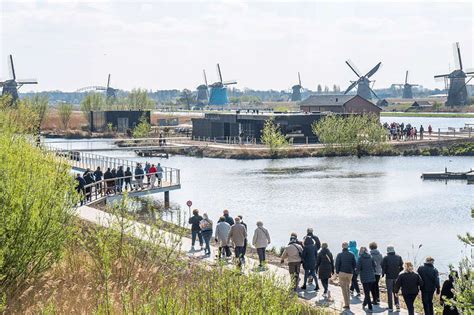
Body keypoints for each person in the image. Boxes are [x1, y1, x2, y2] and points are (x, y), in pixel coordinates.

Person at [335, 241, 357, 311]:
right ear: (348, 247)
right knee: (347, 287)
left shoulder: (340, 254)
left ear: (342, 247)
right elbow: (354, 264)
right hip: (350, 273)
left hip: (342, 272)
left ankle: (347, 305)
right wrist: (352, 270)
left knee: (344, 289)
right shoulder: (352, 254)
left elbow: (337, 264)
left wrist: (337, 272)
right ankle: (348, 303)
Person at [382, 245, 404, 312]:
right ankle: (397, 306)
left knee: (389, 292)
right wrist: (398, 272)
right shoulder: (399, 257)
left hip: (389, 277)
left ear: (387, 251)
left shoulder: (386, 258)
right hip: (397, 277)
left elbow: (383, 267)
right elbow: (402, 267)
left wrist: (385, 273)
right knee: (396, 291)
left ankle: (390, 307)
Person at [357, 246, 376, 312]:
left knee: (367, 293)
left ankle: (370, 307)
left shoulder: (360, 258)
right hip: (372, 277)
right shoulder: (371, 257)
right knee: (368, 292)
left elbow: (358, 268)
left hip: (364, 277)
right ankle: (364, 303)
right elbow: (375, 266)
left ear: (360, 251)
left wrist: (356, 272)